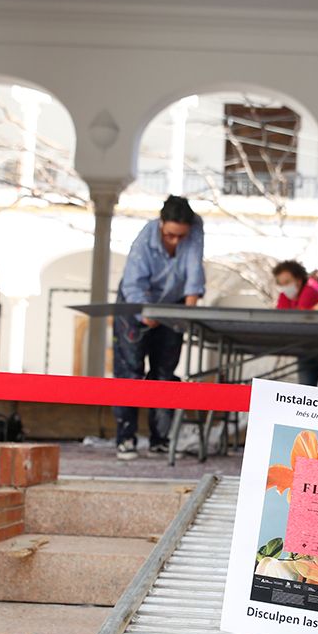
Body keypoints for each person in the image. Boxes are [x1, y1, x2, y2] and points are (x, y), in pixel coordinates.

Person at [112, 196, 205, 460]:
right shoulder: (144, 240)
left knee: (165, 370)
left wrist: (188, 312)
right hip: (135, 304)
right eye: (170, 235)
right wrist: (146, 312)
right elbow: (133, 284)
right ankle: (126, 438)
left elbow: (193, 270)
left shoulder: (195, 229)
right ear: (161, 224)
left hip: (172, 304)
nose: (176, 241)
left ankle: (160, 439)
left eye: (181, 237)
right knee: (130, 369)